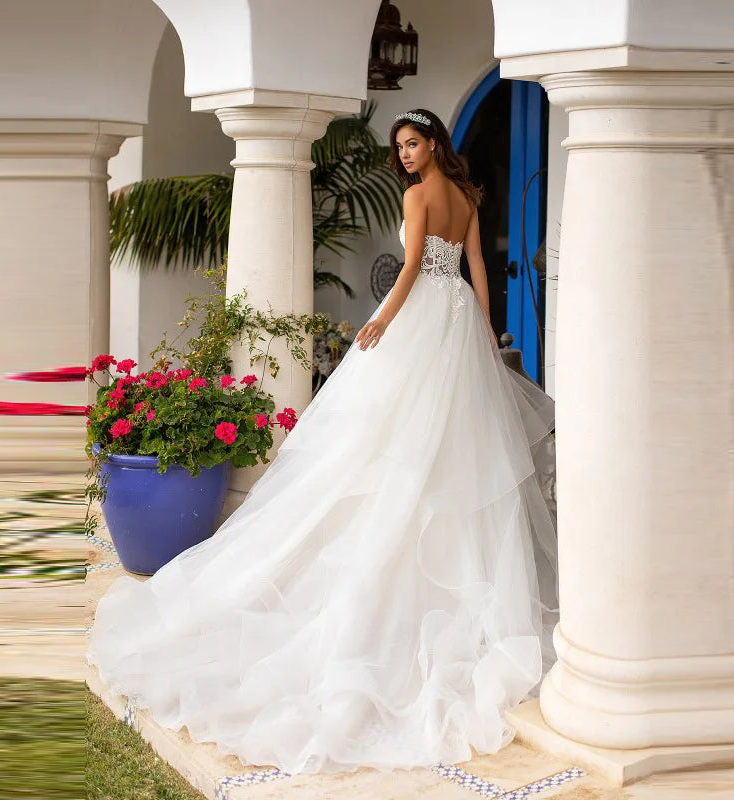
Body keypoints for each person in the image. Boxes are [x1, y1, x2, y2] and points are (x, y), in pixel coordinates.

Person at [87, 108, 558, 776]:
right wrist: (485, 334)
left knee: (392, 437)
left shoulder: (421, 194)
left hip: (423, 317)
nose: (405, 154)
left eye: (413, 143)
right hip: (456, 326)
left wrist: (380, 325)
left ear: (434, 144)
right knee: (446, 447)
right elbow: (475, 267)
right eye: (399, 147)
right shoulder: (467, 195)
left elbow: (416, 266)